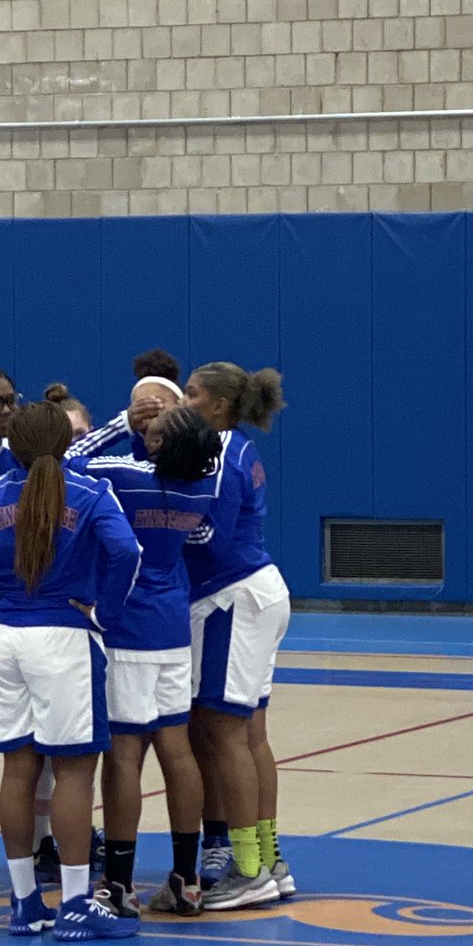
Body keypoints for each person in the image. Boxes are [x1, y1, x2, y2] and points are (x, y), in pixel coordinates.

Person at [0, 401, 142, 942]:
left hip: (2, 637)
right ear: (65, 444)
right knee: (74, 772)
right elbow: (127, 552)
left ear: (13, 446)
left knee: (18, 769)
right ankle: (75, 904)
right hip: (63, 639)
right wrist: (105, 613)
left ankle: (25, 904)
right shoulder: (91, 492)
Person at [68, 407, 222, 917]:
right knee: (177, 750)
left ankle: (119, 882)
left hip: (128, 630)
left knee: (124, 757)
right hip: (173, 629)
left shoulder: (124, 477)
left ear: (158, 445)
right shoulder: (200, 487)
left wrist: (121, 423)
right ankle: (186, 878)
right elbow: (200, 536)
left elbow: (66, 458)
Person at [182, 362, 293, 911]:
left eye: (192, 394)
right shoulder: (238, 448)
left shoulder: (222, 454)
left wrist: (155, 522)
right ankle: (269, 860)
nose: (184, 402)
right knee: (249, 735)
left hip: (232, 597)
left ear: (219, 405)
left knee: (224, 734)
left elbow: (210, 536)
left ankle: (248, 870)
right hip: (254, 592)